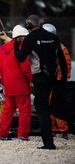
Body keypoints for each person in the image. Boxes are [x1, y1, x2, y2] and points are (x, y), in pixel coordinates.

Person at [14, 15, 67, 149]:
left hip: (39, 78)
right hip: (53, 79)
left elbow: (20, 58)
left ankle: (48, 144)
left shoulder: (30, 38)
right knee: (49, 106)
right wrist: (63, 80)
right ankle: (55, 136)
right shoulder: (53, 37)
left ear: (28, 26)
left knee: (42, 109)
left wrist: (16, 45)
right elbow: (62, 60)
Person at [0, 25, 33, 141]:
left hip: (8, 85)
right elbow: (26, 68)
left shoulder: (3, 49)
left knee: (7, 110)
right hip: (21, 85)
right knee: (24, 111)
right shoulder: (21, 49)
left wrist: (4, 82)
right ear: (21, 37)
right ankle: (22, 135)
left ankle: (2, 134)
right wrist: (32, 80)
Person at [43, 23, 72, 140]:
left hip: (57, 82)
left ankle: (63, 130)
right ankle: (53, 129)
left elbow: (66, 66)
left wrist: (60, 81)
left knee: (58, 105)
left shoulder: (61, 48)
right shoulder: (44, 47)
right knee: (48, 105)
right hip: (47, 81)